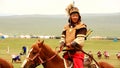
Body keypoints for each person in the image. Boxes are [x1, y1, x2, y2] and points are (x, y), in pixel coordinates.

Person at [59, 3, 87, 68]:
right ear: (70, 17)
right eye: (73, 16)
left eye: (76, 16)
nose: (75, 17)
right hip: (68, 52)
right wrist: (62, 44)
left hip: (77, 52)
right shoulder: (66, 27)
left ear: (79, 17)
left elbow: (80, 40)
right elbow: (63, 37)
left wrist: (71, 44)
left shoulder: (82, 26)